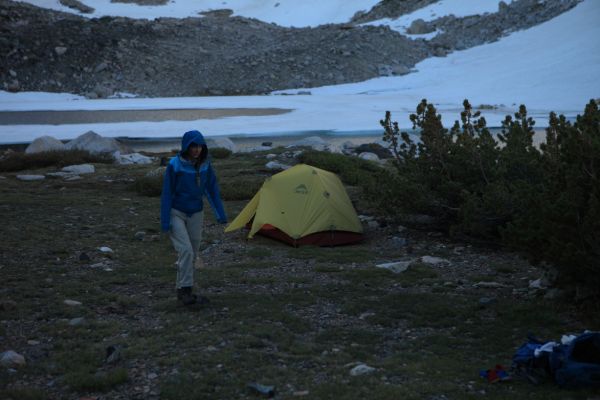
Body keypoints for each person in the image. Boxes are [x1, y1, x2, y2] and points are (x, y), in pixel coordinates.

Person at [160, 130, 227, 306]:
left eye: (199, 146)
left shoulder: (205, 164)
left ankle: (183, 289)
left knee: (192, 253)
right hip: (176, 212)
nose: (196, 149)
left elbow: (212, 189)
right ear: (186, 146)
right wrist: (165, 220)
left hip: (196, 213)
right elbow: (167, 193)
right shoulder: (175, 164)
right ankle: (185, 292)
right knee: (186, 251)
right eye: (193, 146)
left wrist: (220, 214)